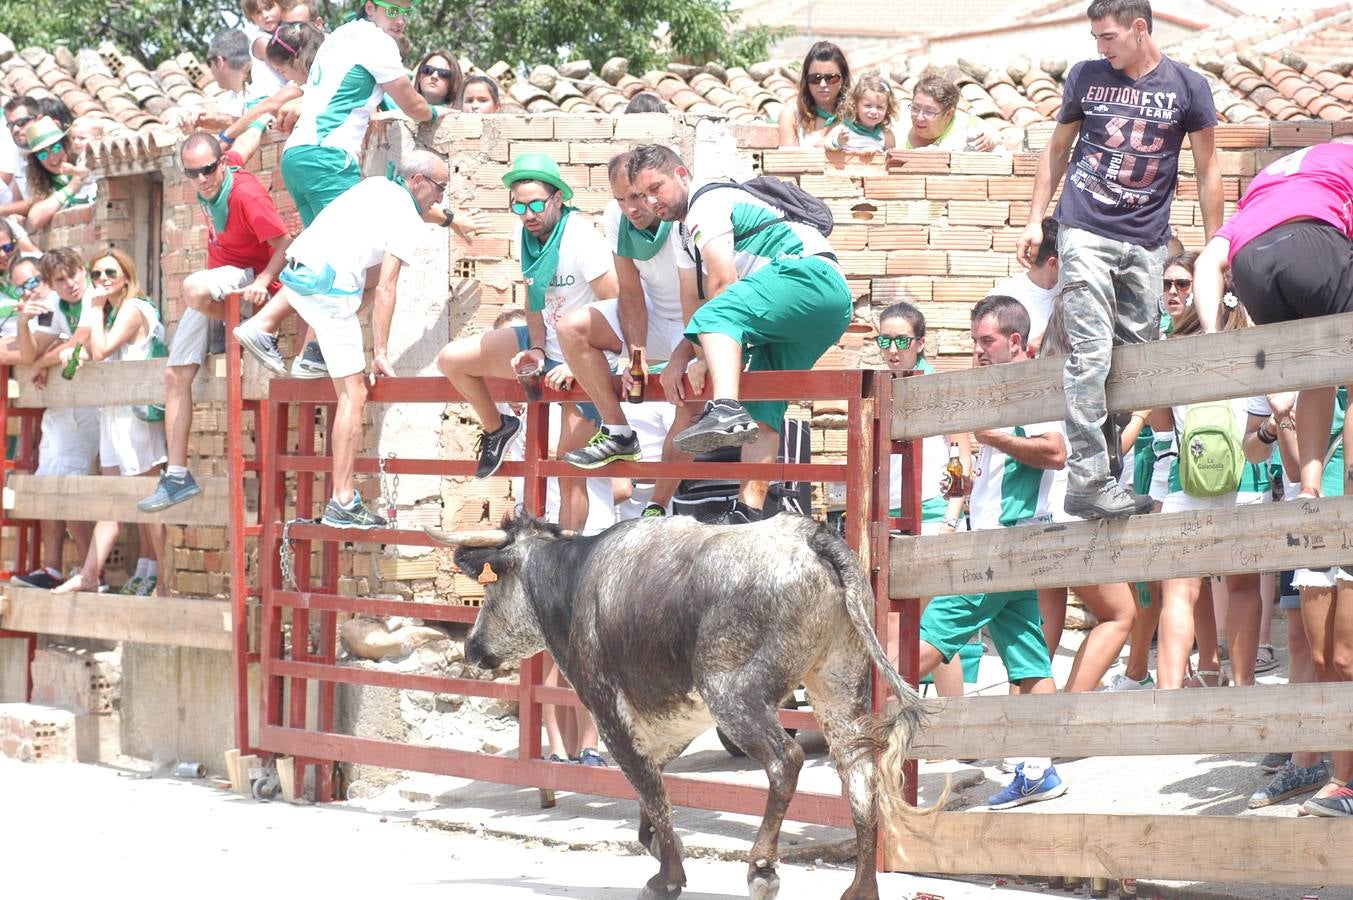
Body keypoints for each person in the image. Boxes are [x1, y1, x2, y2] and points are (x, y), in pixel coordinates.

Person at [1017, 0, 1221, 520]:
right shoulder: (1087, 77)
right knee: (1090, 351)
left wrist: (1218, 247)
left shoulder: (1187, 87)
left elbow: (1207, 169)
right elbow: (1057, 148)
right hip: (1084, 230)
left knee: (1133, 362)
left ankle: (1105, 471)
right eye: (1095, 38)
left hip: (1147, 242)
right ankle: (1087, 480)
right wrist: (1035, 217)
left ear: (1139, 29)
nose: (1099, 47)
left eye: (1107, 37)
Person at [233, 150, 474, 527]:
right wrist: (380, 350)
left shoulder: (377, 186)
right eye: (440, 189)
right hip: (328, 293)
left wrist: (453, 221)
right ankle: (342, 501)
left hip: (300, 272)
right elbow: (388, 289)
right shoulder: (405, 220)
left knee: (367, 274)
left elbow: (415, 219)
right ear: (417, 182)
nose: (441, 198)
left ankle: (292, 340)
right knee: (354, 394)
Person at [626, 144, 851, 524]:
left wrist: (703, 359)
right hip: (820, 308)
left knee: (721, 314)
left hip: (807, 277)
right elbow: (695, 307)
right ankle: (748, 509)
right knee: (764, 410)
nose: (651, 202)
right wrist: (682, 358)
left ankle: (726, 410)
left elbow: (722, 284)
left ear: (682, 176)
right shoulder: (682, 236)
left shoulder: (706, 202)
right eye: (642, 195)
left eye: (656, 188)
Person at [915, 295, 1067, 807]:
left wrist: (993, 438)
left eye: (987, 341)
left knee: (927, 641)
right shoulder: (1002, 390)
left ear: (1016, 342)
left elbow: (1056, 452)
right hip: (1004, 540)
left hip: (1005, 544)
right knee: (1029, 662)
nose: (978, 350)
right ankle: (1038, 771)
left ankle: (860, 726)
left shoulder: (1035, 389)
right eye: (975, 340)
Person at [437, 153, 614, 522]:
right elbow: (533, 297)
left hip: (586, 354)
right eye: (519, 205)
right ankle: (499, 428)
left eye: (536, 204)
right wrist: (534, 346)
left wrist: (579, 363)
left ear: (558, 199)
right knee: (451, 359)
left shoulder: (582, 239)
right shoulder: (525, 234)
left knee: (568, 470)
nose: (528, 214)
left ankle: (568, 564)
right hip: (546, 342)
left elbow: (619, 306)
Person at [1193, 140, 1353, 508]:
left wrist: (1212, 337)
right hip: (1313, 241)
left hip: (1250, 264)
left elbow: (1206, 264)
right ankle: (1350, 492)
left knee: (1317, 375)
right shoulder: (1344, 160)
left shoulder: (1263, 188)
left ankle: (1309, 489)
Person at [138, 132, 292, 513]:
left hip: (251, 280)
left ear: (221, 162)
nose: (202, 179)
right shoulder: (213, 175)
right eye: (193, 173)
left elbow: (286, 243)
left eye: (208, 169)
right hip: (223, 282)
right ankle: (177, 475)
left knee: (191, 288)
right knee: (175, 375)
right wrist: (264, 115)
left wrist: (259, 282)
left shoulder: (246, 195)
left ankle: (240, 323)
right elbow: (250, 136)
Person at [1147, 290, 1269, 690]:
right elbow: (1257, 436)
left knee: (1179, 591)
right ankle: (1243, 685)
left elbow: (1162, 426)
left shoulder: (1175, 355)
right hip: (1245, 482)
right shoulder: (1255, 353)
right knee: (1243, 587)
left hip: (1188, 480)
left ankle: (1166, 697)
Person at [556, 151, 692, 472]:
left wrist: (682, 356)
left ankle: (659, 506)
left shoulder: (683, 215)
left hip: (699, 324)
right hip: (656, 317)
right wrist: (636, 354)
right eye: (620, 199)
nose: (630, 208)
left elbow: (706, 295)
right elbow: (629, 291)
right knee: (571, 328)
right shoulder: (616, 218)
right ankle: (617, 431)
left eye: (636, 197)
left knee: (687, 414)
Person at [54, 250, 167, 595]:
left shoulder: (133, 308)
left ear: (126, 276)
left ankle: (164, 579)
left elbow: (101, 350)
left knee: (150, 496)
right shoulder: (117, 311)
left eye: (109, 273)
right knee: (113, 497)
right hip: (114, 415)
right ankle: (97, 573)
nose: (102, 280)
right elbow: (96, 350)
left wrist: (94, 309)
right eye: (96, 274)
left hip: (136, 414)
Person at [880, 301, 969, 696]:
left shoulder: (937, 388)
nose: (892, 348)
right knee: (902, 624)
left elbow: (961, 460)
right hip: (893, 519)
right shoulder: (885, 387)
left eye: (901, 339)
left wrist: (950, 523)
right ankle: (933, 722)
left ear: (920, 343)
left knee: (929, 627)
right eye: (884, 340)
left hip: (932, 517)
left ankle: (948, 723)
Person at [10, 250, 97, 589]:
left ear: (83, 270)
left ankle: (93, 571)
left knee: (70, 485)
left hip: (93, 403)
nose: (70, 283)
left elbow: (80, 341)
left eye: (73, 274)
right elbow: (31, 351)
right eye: (60, 280)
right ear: (51, 284)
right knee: (48, 480)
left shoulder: (93, 295)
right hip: (66, 405)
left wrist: (41, 364)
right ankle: (52, 569)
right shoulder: (58, 307)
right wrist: (21, 324)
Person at [992, 217, 1058, 351]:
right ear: (1053, 263)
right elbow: (986, 355)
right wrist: (1030, 348)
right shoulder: (1004, 296)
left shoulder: (1075, 292)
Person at [21, 116, 96, 231]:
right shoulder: (44, 188)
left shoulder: (86, 162)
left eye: (55, 148)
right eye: (43, 155)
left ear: (65, 145)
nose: (52, 157)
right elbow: (34, 220)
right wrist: (72, 187)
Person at [892, 73, 996, 152]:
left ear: (948, 114)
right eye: (915, 108)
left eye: (929, 111)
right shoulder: (896, 121)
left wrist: (990, 142)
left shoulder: (967, 126)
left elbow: (1002, 141)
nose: (919, 117)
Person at [776, 41, 850, 148]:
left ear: (843, 79)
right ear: (806, 80)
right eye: (815, 78)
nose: (823, 84)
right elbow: (788, 161)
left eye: (831, 78)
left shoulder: (856, 115)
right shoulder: (792, 115)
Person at [824, 71, 898, 153]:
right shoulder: (844, 130)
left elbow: (891, 160)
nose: (874, 111)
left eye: (880, 107)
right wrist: (838, 142)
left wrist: (877, 154)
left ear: (887, 109)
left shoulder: (886, 135)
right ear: (855, 105)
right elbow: (826, 145)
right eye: (868, 106)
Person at [0, 96, 38, 221]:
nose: (15, 129)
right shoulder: (18, 153)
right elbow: (18, 199)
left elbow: (42, 199)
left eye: (21, 123)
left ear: (38, 119)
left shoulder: (54, 149)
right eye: (10, 125)